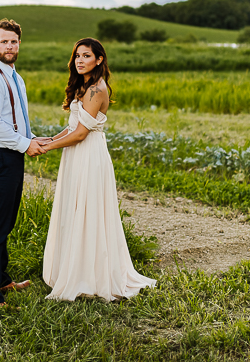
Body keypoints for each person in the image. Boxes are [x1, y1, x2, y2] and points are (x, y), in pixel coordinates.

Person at [38, 37, 156, 301]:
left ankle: (89, 275)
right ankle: (74, 268)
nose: (80, 61)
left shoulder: (96, 90)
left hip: (89, 155)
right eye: (77, 56)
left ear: (99, 59)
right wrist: (49, 138)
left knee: (88, 210)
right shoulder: (84, 86)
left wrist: (47, 149)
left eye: (86, 56)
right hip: (76, 155)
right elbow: (72, 127)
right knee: (75, 207)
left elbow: (80, 134)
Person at [0, 18, 46, 305]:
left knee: (5, 223)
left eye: (13, 41)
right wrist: (24, 144)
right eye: (4, 41)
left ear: (19, 44)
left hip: (12, 157)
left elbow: (14, 119)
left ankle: (2, 281)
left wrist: (31, 138)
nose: (9, 46)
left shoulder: (16, 77)